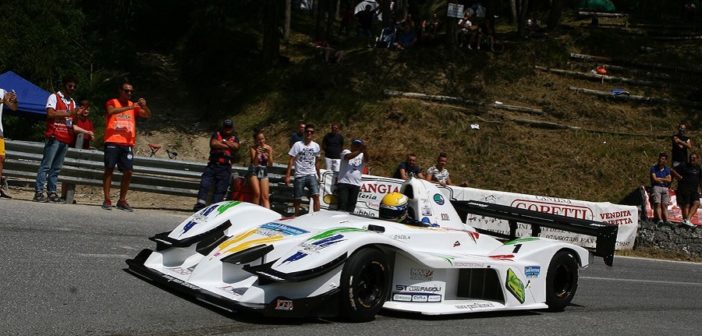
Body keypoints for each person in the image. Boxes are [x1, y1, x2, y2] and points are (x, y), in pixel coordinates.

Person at [102, 82, 152, 211]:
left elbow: (147, 115)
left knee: (128, 171)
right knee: (109, 169)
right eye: (126, 91)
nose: (129, 93)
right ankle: (107, 199)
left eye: (131, 91)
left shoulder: (133, 105)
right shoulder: (112, 102)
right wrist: (129, 108)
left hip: (127, 143)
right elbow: (111, 111)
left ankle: (122, 199)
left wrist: (145, 106)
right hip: (112, 141)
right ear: (120, 91)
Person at [33, 76, 79, 203]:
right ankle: (38, 192)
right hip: (54, 136)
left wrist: (76, 116)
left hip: (65, 137)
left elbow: (73, 120)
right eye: (70, 86)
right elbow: (50, 113)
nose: (72, 89)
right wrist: (68, 113)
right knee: (46, 165)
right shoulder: (54, 97)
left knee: (57, 168)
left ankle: (52, 192)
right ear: (64, 85)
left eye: (74, 87)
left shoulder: (73, 102)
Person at [193, 119, 240, 211]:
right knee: (204, 184)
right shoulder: (216, 134)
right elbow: (214, 144)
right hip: (213, 165)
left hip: (225, 167)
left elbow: (236, 147)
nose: (227, 129)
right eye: (226, 127)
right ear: (223, 127)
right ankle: (200, 206)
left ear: (232, 128)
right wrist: (229, 146)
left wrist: (223, 142)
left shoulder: (235, 138)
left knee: (221, 189)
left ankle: (214, 209)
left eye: (229, 127)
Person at [285, 124, 321, 216]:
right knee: (297, 198)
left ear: (313, 134)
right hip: (299, 174)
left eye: (311, 132)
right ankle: (296, 215)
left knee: (316, 195)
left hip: (311, 174)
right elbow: (291, 160)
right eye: (307, 131)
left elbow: (317, 161)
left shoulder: (316, 146)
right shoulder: (297, 145)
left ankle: (317, 217)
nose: (309, 133)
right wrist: (288, 175)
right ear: (304, 132)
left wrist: (319, 175)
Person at [336, 139, 368, 212]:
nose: (357, 147)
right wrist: (360, 150)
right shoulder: (346, 151)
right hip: (344, 182)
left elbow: (367, 160)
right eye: (355, 145)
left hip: (355, 184)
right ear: (351, 145)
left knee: (351, 206)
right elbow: (348, 157)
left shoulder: (362, 155)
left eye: (358, 145)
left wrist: (365, 150)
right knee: (342, 204)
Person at [672, 153, 702, 227]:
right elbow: (672, 170)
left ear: (697, 159)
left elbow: (701, 180)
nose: (692, 159)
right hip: (684, 188)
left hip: (694, 189)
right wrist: (679, 177)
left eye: (694, 158)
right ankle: (686, 221)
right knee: (686, 205)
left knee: (697, 203)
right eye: (691, 158)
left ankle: (687, 220)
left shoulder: (698, 168)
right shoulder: (684, 165)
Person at [247, 128, 273, 209]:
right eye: (259, 140)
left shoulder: (268, 148)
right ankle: (255, 211)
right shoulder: (253, 148)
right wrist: (257, 154)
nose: (261, 141)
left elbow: (271, 164)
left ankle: (268, 215)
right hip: (254, 170)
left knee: (265, 196)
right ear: (256, 140)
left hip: (263, 170)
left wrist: (269, 154)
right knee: (257, 193)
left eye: (262, 139)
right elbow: (254, 163)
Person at [0, 88, 18, 198]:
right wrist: (3, 100)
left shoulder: (2, 91)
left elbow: (14, 108)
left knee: (1, 159)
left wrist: (14, 100)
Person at [649, 152, 672, 225]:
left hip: (665, 188)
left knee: (665, 205)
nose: (660, 160)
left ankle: (667, 220)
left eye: (662, 159)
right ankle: (660, 219)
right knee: (657, 203)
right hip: (656, 187)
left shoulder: (667, 169)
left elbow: (669, 179)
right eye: (660, 158)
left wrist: (660, 179)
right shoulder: (654, 168)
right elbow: (655, 179)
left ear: (665, 161)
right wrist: (664, 179)